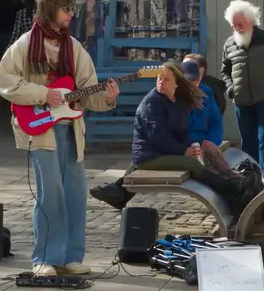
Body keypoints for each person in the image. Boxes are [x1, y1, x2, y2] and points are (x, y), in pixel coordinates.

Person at [0, 0, 120, 277]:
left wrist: (108, 98)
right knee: (50, 194)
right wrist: (43, 94)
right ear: (50, 10)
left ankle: (71, 258)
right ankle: (45, 258)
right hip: (41, 131)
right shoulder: (25, 45)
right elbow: (5, 82)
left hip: (71, 130)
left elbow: (88, 92)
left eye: (72, 9)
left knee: (75, 195)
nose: (71, 14)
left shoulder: (74, 48)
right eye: (66, 9)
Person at [89, 62, 253, 212]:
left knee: (198, 156)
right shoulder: (152, 104)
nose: (161, 82)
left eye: (166, 79)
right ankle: (232, 189)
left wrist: (191, 146)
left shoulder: (178, 101)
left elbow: (182, 131)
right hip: (151, 156)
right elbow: (158, 138)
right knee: (192, 164)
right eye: (159, 78)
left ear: (177, 83)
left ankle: (117, 192)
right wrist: (184, 151)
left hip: (161, 152)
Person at [221, 0, 264, 175]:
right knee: (248, 140)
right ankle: (252, 175)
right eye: (233, 25)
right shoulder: (229, 43)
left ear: (250, 20)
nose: (237, 28)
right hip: (241, 101)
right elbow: (225, 70)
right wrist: (230, 88)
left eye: (240, 24)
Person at [179, 57, 224, 151]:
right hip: (183, 146)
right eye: (187, 79)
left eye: (194, 79)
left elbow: (216, 123)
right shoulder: (173, 94)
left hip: (204, 144)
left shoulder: (206, 92)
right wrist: (197, 142)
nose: (190, 83)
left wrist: (211, 143)